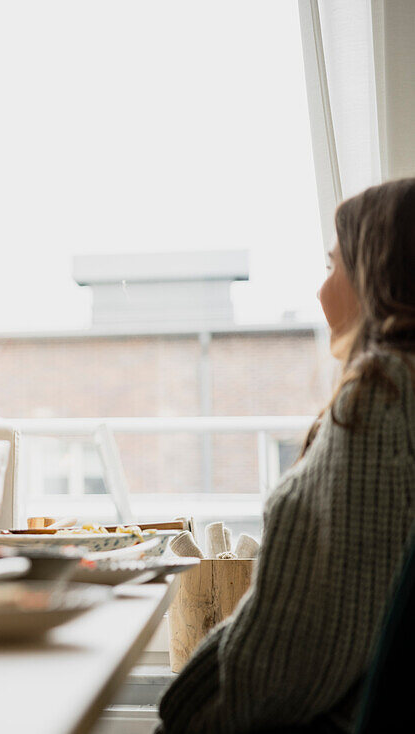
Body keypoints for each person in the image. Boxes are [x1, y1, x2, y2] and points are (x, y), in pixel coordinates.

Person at [157, 178, 415, 733]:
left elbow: (301, 651)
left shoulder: (381, 402)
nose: (322, 293)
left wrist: (183, 718)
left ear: (378, 277)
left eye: (332, 266)